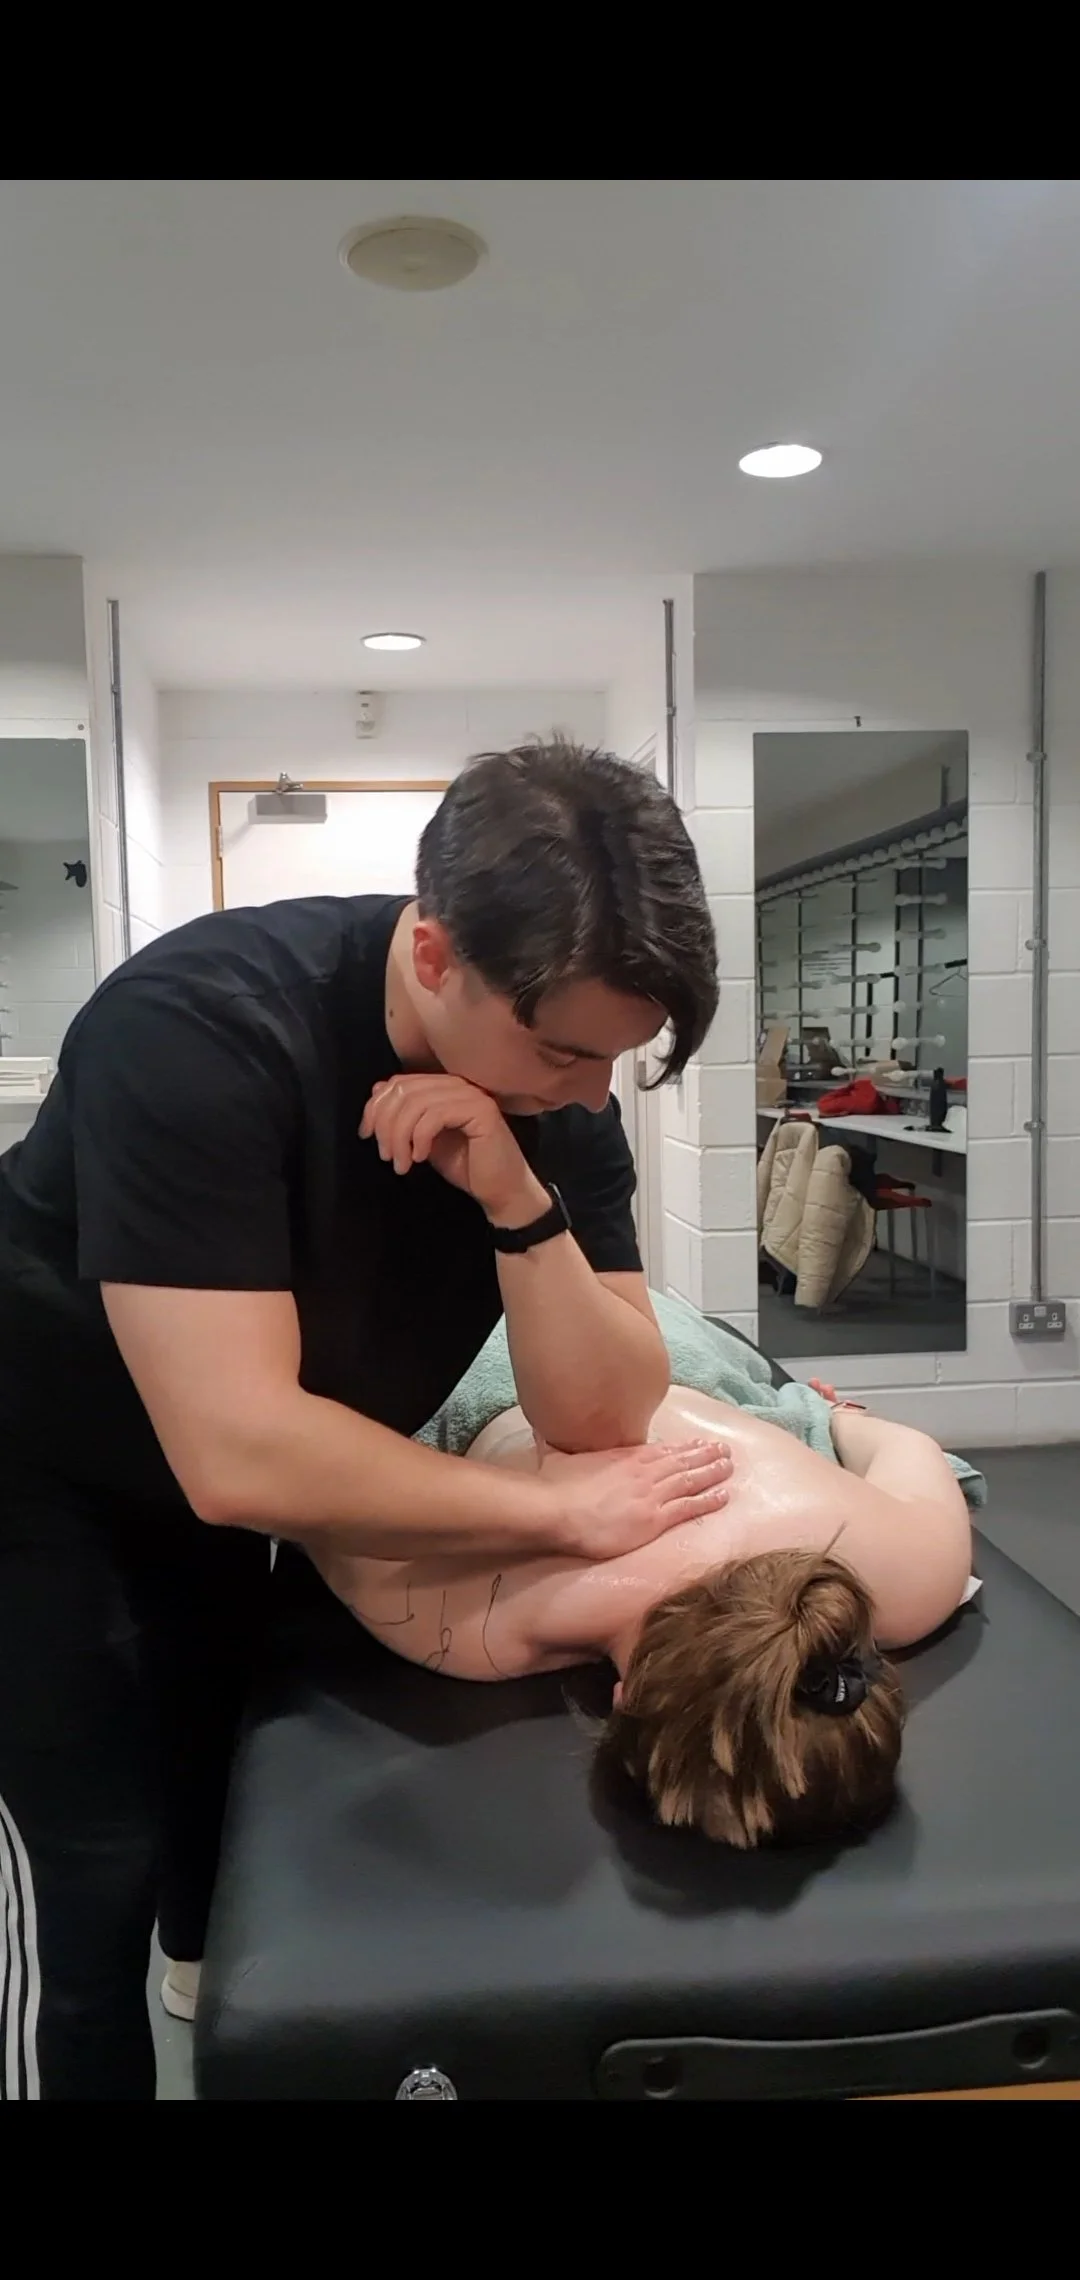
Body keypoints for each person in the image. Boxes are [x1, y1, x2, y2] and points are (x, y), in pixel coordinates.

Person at [0, 736, 726, 2101]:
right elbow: (238, 1453)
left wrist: (520, 1194)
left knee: (222, 1794)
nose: (587, 1094)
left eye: (616, 1063)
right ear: (436, 953)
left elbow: (604, 1410)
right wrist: (558, 1512)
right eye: (562, 1051)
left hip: (277, 1470)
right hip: (47, 1466)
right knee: (93, 1862)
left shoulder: (555, 1103)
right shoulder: (199, 1029)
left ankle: (209, 1999)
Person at [314, 1380, 973, 1851]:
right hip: (493, 1372)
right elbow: (306, 1496)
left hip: (700, 1375)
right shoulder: (483, 1621)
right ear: (627, 1701)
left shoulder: (915, 1575)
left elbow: (895, 1440)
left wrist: (831, 1414)